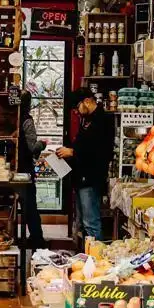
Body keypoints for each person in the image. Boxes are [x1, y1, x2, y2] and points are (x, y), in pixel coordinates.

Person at [57, 87, 114, 241]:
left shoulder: (103, 120)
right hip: (81, 176)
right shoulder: (87, 120)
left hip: (91, 177)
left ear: (87, 101)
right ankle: (86, 255)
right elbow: (84, 144)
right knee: (83, 221)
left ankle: (95, 260)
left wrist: (73, 152)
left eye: (77, 107)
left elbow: (101, 151)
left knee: (91, 222)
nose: (76, 112)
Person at [17, 91, 47, 248]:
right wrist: (43, 144)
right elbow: (32, 147)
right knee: (30, 206)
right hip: (25, 170)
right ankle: (37, 240)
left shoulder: (11, 117)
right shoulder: (27, 120)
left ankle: (17, 238)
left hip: (9, 169)